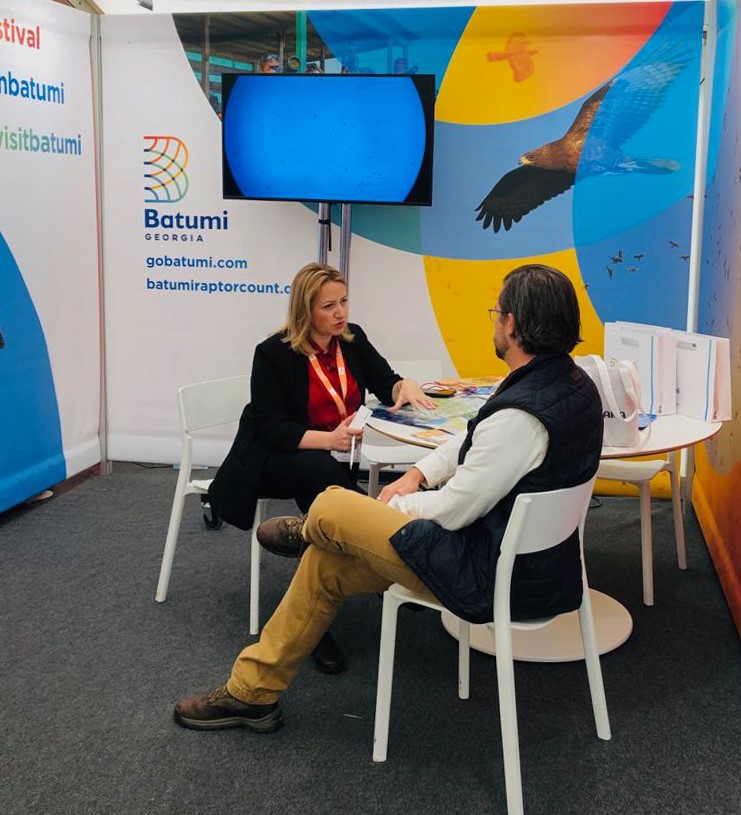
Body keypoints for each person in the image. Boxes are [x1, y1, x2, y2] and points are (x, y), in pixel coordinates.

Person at [175, 263, 604, 734]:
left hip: (484, 573)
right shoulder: (569, 384)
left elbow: (455, 508)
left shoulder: (519, 416)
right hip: (522, 562)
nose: (494, 321)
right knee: (324, 562)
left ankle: (316, 528)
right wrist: (416, 475)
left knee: (334, 506)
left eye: (495, 312)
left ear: (512, 324)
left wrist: (385, 508)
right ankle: (251, 692)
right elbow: (472, 440)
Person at [206, 262, 434, 675]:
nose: (340, 312)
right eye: (329, 306)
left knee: (325, 501)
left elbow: (387, 382)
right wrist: (328, 440)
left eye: (344, 301)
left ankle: (323, 595)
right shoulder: (273, 353)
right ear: (305, 310)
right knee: (321, 477)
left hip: (330, 462)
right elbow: (271, 429)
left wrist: (406, 385)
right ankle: (383, 551)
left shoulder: (352, 338)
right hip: (273, 458)